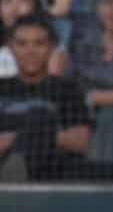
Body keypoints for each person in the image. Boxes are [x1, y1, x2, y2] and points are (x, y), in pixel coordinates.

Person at [0, 14, 89, 181]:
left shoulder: (68, 89)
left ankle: (18, 170)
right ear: (10, 47)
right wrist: (43, 134)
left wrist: (23, 136)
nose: (30, 51)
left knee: (40, 116)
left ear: (52, 47)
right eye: (22, 44)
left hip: (51, 175)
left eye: (39, 43)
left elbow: (81, 141)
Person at [0, 0, 64, 78]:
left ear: (34, 5)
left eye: (23, 0)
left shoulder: (49, 43)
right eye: (7, 1)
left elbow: (52, 82)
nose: (14, 8)